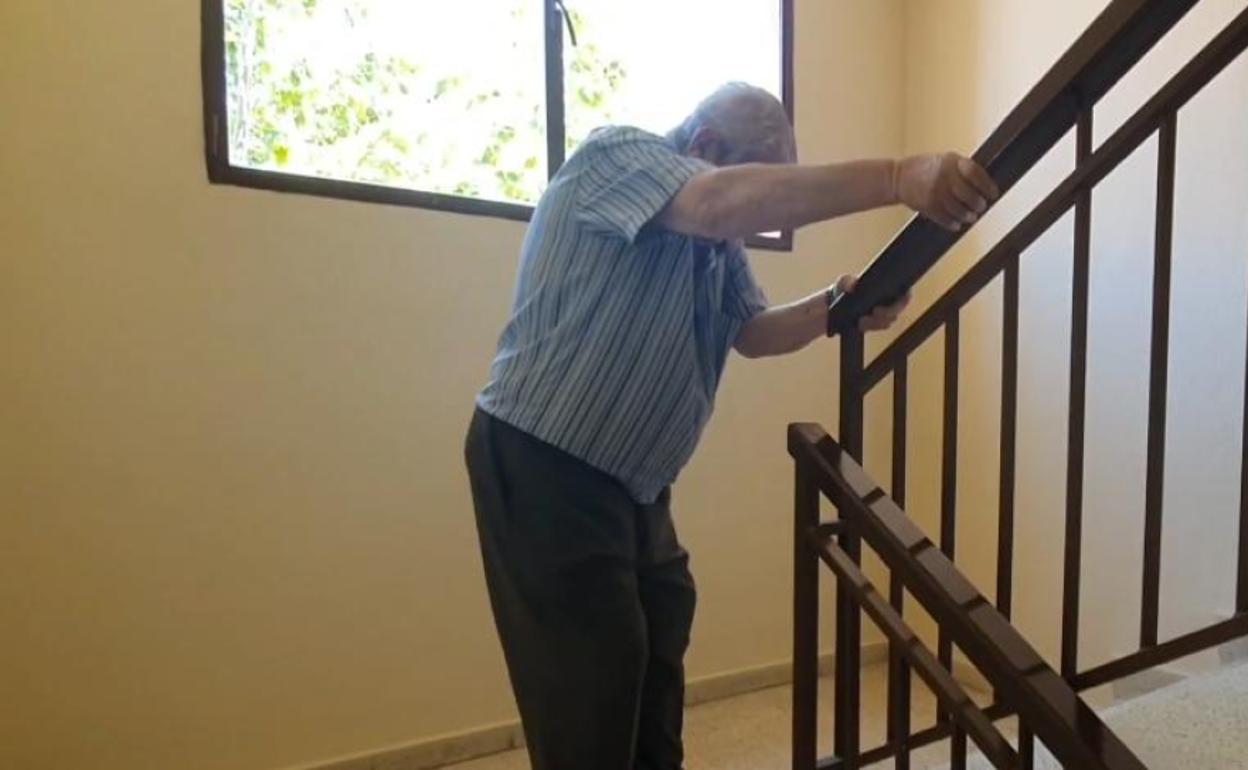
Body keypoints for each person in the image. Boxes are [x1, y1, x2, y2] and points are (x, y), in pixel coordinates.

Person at [464, 82, 999, 770]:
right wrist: (898, 177)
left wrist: (838, 305)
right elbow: (717, 204)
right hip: (543, 459)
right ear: (706, 146)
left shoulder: (716, 244)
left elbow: (752, 332)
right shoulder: (617, 155)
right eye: (758, 184)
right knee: (592, 686)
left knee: (657, 644)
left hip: (631, 484)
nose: (755, 220)